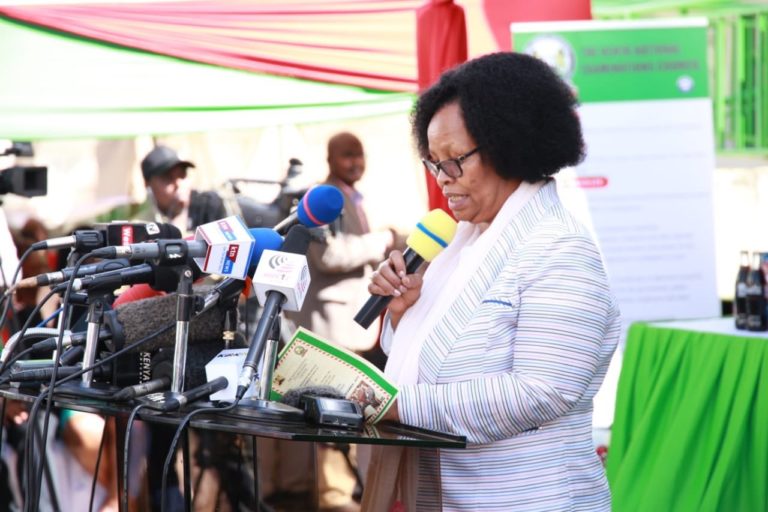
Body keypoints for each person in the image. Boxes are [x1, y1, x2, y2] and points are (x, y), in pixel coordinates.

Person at [362, 52, 621, 511]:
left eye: (455, 160)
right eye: (433, 163)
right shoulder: (460, 241)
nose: (443, 179)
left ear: (509, 144)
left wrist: (398, 405)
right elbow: (432, 357)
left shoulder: (560, 248)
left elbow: (542, 390)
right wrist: (401, 314)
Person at [278, 132, 402, 512]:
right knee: (331, 422)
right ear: (330, 159)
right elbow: (328, 256)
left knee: (355, 417)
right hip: (330, 326)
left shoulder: (354, 196)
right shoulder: (322, 198)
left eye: (360, 155)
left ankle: (351, 494)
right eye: (347, 155)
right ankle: (332, 500)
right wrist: (383, 240)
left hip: (355, 324)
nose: (356, 162)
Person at [104, 144, 228, 235]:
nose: (178, 183)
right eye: (167, 178)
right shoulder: (141, 222)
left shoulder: (209, 205)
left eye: (182, 175)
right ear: (147, 184)